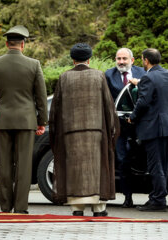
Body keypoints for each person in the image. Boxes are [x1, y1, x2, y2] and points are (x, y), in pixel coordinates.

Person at [0, 25, 48, 214]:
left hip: (3, 121)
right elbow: (41, 97)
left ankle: (5, 206)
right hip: (26, 122)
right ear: (23, 44)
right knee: (24, 166)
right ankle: (20, 208)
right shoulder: (34, 64)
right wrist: (41, 121)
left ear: (6, 43)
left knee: (3, 166)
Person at [49, 43, 119, 217]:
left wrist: (56, 132)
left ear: (72, 60)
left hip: (70, 133)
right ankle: (98, 208)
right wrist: (112, 129)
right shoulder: (98, 76)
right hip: (96, 131)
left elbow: (56, 109)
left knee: (75, 168)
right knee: (97, 167)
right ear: (89, 59)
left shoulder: (64, 78)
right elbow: (108, 107)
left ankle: (77, 208)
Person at [127, 48, 168, 212]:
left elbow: (143, 102)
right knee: (163, 165)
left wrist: (132, 117)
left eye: (142, 59)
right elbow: (157, 88)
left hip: (153, 127)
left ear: (146, 61)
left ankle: (158, 201)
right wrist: (140, 83)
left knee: (155, 166)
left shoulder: (148, 77)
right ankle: (156, 197)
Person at [105, 48, 145, 208]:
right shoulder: (108, 75)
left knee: (142, 161)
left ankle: (151, 196)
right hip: (119, 128)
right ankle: (127, 197)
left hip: (140, 127)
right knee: (122, 161)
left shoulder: (143, 73)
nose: (121, 62)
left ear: (132, 60)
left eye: (124, 59)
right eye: (118, 58)